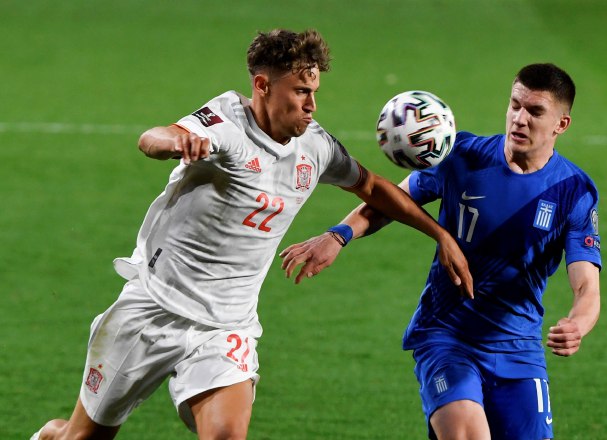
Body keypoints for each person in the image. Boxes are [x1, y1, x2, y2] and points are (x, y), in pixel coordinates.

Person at [32, 29, 472, 440]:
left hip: (226, 326)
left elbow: (373, 188)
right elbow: (156, 136)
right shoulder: (224, 123)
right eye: (300, 92)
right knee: (82, 437)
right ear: (262, 86)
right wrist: (172, 143)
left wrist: (440, 236)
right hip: (153, 309)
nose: (311, 105)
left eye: (314, 92)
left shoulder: (315, 147)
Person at [281, 63, 601, 440]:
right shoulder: (461, 154)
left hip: (519, 349)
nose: (519, 119)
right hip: (447, 336)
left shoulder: (573, 191)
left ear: (561, 125)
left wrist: (577, 325)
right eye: (515, 105)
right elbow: (392, 202)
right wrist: (338, 235)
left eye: (534, 112)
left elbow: (587, 288)